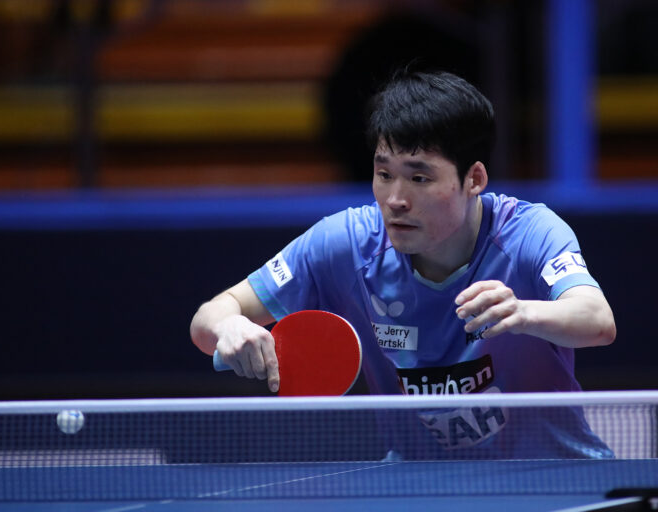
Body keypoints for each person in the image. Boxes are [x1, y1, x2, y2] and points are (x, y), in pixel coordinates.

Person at [190, 69, 617, 459]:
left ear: (475, 179)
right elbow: (210, 318)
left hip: (553, 481)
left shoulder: (529, 233)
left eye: (419, 178)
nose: (395, 198)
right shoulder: (346, 245)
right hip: (420, 489)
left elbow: (597, 319)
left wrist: (526, 311)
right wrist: (229, 327)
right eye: (384, 174)